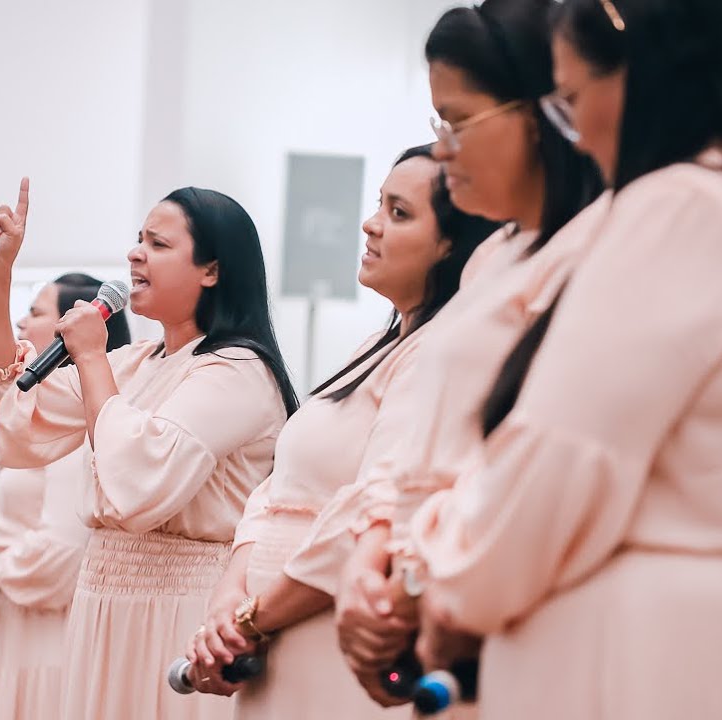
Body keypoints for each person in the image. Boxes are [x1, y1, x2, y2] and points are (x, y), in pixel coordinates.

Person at [406, 1, 722, 717]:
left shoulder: (684, 205)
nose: (576, 135)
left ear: (640, 77)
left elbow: (560, 460)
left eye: (569, 102)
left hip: (656, 657)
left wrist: (442, 578)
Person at [326, 0, 603, 706]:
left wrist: (416, 578)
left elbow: (539, 466)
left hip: (495, 596)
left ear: (542, 114)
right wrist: (371, 548)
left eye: (457, 122)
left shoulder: (598, 248)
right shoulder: (496, 259)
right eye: (435, 125)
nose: (441, 150)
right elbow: (412, 445)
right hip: (427, 586)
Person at [0, 179, 296, 720]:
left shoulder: (237, 371)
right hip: (101, 606)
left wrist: (91, 356)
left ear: (212, 270)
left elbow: (138, 482)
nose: (134, 253)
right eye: (139, 239)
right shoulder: (138, 362)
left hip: (180, 610)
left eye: (159, 245)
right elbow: (7, 416)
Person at [183, 145, 500, 720]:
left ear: (450, 246)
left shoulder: (439, 354)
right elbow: (275, 487)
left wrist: (254, 616)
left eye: (399, 213)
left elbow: (376, 508)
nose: (370, 223)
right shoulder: (373, 350)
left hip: (320, 628)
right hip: (264, 628)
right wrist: (230, 593)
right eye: (379, 204)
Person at [0, 272, 131, 719]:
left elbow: (62, 548)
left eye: (38, 312)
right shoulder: (44, 417)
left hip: (45, 634)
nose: (23, 324)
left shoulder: (86, 420)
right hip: (14, 624)